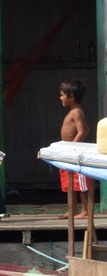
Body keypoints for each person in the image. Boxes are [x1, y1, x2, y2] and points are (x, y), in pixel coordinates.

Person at [58, 78, 90, 220]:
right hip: (68, 152)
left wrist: (73, 147)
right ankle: (72, 210)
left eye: (62, 95)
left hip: (74, 153)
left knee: (80, 184)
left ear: (71, 97)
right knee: (69, 183)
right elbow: (86, 128)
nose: (60, 98)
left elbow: (82, 131)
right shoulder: (72, 112)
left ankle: (86, 210)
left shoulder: (77, 112)